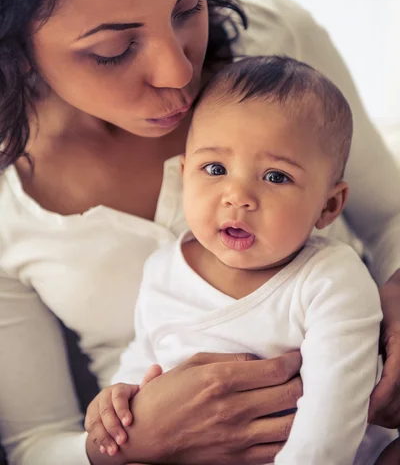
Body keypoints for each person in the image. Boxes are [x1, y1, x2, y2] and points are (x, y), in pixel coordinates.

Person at [0, 0, 399, 465]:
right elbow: (34, 442)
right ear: (16, 49)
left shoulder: (279, 45)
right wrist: (125, 445)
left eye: (187, 5)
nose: (177, 72)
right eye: (114, 49)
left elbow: (392, 214)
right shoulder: (10, 206)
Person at [84, 56, 398, 465]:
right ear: (184, 176)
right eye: (215, 168)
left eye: (275, 177)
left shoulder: (330, 280)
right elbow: (146, 358)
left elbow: (331, 421)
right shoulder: (163, 269)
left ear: (329, 205)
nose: (238, 195)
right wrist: (117, 400)